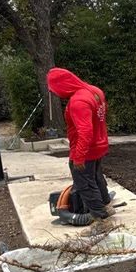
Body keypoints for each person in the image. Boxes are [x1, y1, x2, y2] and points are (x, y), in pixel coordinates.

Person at [46, 67, 112, 220]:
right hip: (99, 144)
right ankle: (107, 205)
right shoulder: (94, 91)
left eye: (55, 89)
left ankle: (100, 219)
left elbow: (85, 132)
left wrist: (79, 156)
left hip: (85, 149)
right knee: (95, 177)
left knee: (85, 185)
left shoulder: (78, 102)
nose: (55, 93)